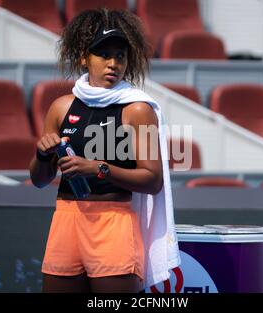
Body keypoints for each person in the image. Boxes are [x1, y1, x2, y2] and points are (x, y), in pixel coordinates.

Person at [29, 8, 180, 293]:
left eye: (120, 56)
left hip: (113, 222)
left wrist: (98, 168)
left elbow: (153, 180)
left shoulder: (137, 109)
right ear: (85, 58)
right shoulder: (61, 107)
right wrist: (42, 155)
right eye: (104, 55)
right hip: (66, 218)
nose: (113, 63)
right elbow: (39, 180)